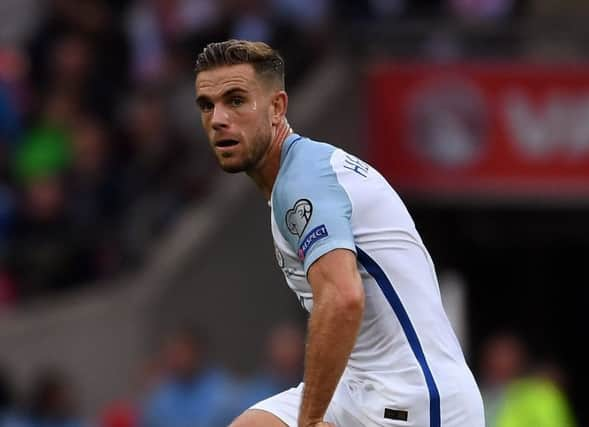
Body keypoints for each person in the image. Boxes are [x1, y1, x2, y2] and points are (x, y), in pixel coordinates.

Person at [194, 39, 485, 427]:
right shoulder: (296, 175)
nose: (218, 119)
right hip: (360, 388)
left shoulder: (304, 181)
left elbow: (344, 298)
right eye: (206, 105)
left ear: (277, 107)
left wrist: (310, 421)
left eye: (235, 100)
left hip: (412, 402)